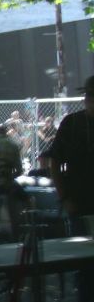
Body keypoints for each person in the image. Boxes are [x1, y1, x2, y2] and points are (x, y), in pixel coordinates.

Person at [48, 75, 94, 235]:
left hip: (78, 200)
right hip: (79, 200)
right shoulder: (72, 123)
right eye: (90, 95)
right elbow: (54, 162)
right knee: (81, 251)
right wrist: (65, 198)